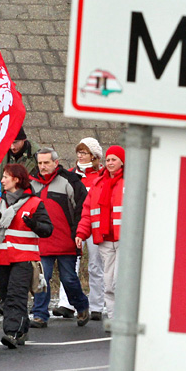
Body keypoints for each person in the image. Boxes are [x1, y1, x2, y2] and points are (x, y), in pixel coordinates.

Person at [0, 164, 53, 348]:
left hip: (24, 258)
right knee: (5, 297)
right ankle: (22, 328)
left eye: (5, 177)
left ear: (17, 180)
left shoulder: (35, 203)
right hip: (1, 259)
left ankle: (11, 333)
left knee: (16, 296)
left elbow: (47, 230)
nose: (2, 180)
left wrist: (34, 224)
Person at [29, 147, 89, 327]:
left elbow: (81, 210)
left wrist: (78, 233)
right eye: (40, 163)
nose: (43, 166)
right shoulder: (31, 183)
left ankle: (81, 307)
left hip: (66, 241)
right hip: (42, 242)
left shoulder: (70, 181)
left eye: (46, 162)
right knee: (41, 279)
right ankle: (40, 315)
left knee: (69, 279)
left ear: (56, 162)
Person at [75, 145, 124, 323]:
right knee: (109, 283)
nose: (110, 163)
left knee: (119, 281)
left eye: (114, 159)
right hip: (104, 240)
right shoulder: (98, 184)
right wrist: (81, 233)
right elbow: (87, 212)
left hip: (124, 240)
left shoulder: (130, 183)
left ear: (122, 162)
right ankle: (113, 318)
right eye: (108, 160)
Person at [62, 137, 106, 319]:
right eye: (78, 152)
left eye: (84, 153)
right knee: (71, 263)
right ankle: (66, 304)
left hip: (95, 225)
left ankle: (97, 305)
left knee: (96, 265)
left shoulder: (102, 176)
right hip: (75, 225)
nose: (80, 156)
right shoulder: (71, 175)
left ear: (94, 156)